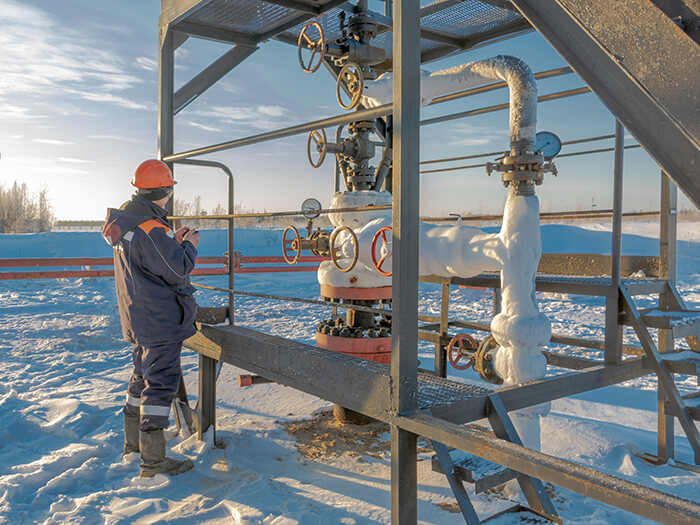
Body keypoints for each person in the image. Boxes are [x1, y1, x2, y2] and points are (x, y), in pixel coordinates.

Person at [102, 159, 200, 478]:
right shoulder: (150, 227)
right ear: (163, 191)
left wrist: (173, 242)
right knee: (159, 387)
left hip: (139, 318)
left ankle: (134, 446)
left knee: (141, 379)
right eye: (169, 189)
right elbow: (176, 270)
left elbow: (149, 263)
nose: (170, 196)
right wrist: (188, 246)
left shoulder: (129, 223)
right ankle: (154, 462)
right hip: (159, 321)